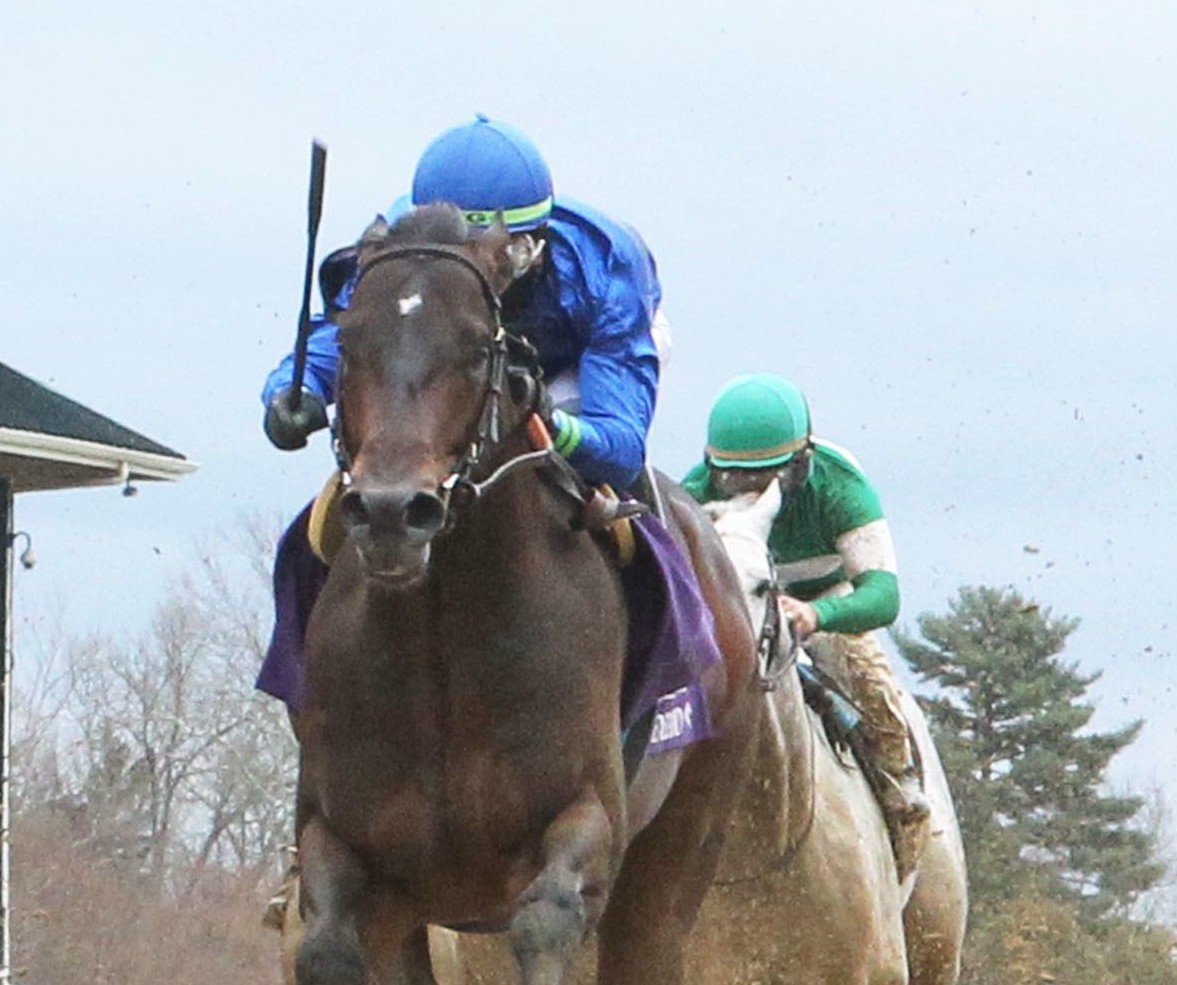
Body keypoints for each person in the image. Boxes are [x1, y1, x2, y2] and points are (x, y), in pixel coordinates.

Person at [256, 117, 667, 496]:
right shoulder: (393, 254)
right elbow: (342, 339)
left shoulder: (605, 268)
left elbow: (621, 447)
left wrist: (546, 422)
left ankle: (674, 568)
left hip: (570, 368)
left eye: (500, 254)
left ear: (536, 243)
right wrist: (295, 392)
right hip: (450, 358)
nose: (483, 274)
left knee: (604, 483)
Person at [682, 372, 935, 855]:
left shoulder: (840, 486)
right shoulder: (694, 493)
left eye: (766, 478)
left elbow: (883, 594)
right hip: (736, 602)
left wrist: (818, 615)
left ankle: (898, 787)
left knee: (861, 667)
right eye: (733, 478)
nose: (749, 492)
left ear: (801, 466)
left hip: (822, 600)